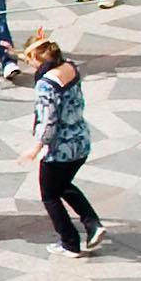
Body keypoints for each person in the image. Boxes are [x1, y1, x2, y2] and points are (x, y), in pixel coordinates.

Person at [24, 35, 103, 255]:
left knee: (49, 194)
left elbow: (49, 120)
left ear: (36, 57)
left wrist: (37, 147)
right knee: (63, 185)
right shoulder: (70, 67)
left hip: (60, 149)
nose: (28, 65)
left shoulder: (45, 84)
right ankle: (92, 223)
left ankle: (69, 241)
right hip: (81, 140)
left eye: (28, 59)